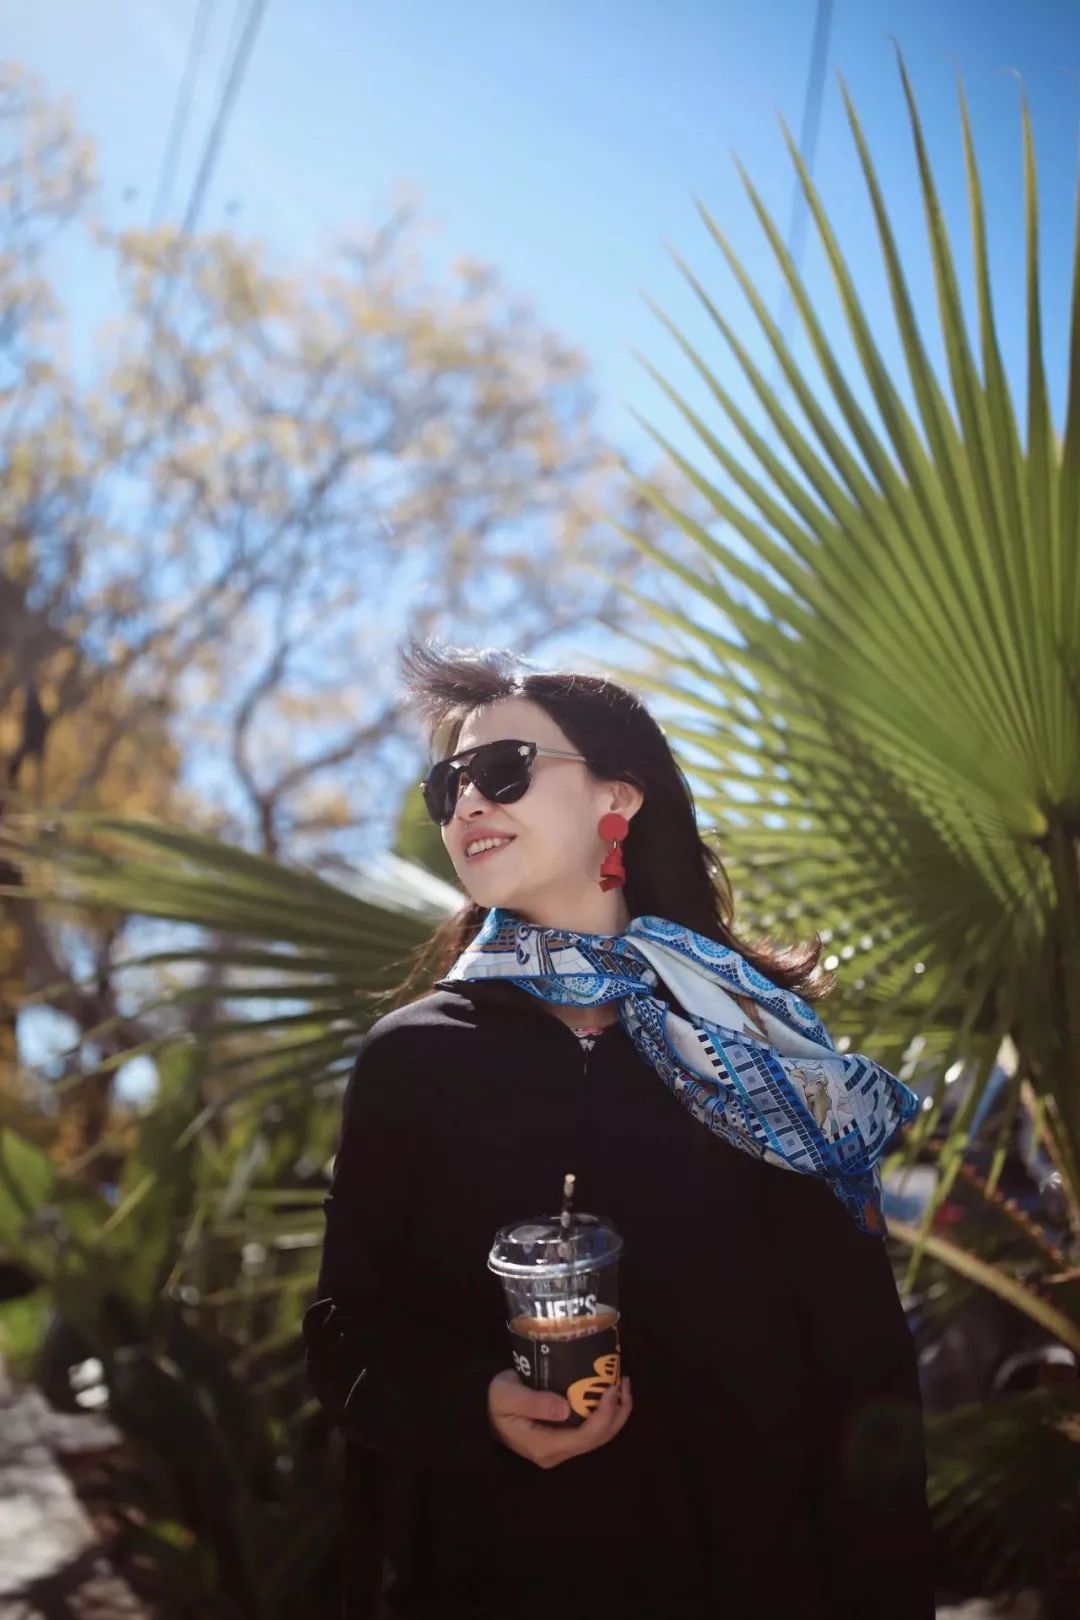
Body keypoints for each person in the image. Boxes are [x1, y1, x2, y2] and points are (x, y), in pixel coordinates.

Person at [303, 639, 936, 1620]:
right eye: (447, 787)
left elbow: (862, 1368)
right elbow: (349, 1334)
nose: (467, 805)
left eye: (502, 770)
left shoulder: (756, 1045)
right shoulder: (413, 1058)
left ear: (619, 796)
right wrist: (478, 1404)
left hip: (756, 1581)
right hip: (488, 1580)